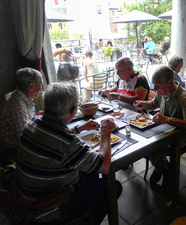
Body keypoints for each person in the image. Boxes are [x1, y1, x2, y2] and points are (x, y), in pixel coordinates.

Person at [14, 82, 122, 224]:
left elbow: (53, 138)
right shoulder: (68, 142)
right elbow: (104, 166)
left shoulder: (34, 121)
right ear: (72, 111)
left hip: (26, 194)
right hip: (47, 207)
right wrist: (105, 132)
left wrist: (80, 128)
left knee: (91, 174)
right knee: (113, 187)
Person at [134, 66, 186, 188]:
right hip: (163, 132)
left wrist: (167, 120)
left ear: (170, 82)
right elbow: (153, 104)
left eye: (157, 85)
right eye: (153, 84)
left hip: (179, 136)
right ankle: (164, 167)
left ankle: (162, 169)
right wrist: (144, 104)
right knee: (144, 149)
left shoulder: (184, 97)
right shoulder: (162, 92)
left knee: (155, 156)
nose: (154, 88)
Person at [0, 67, 44, 165]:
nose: (42, 87)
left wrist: (35, 117)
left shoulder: (18, 95)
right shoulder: (18, 107)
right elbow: (26, 141)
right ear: (31, 86)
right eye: (41, 84)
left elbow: (24, 124)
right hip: (13, 153)